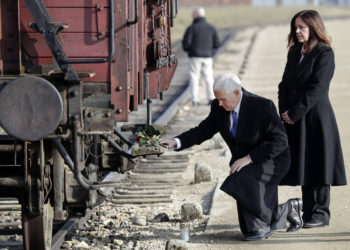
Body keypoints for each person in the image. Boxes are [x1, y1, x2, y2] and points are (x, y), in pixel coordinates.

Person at [161, 73, 302, 241]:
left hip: (272, 158)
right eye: (217, 99)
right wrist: (176, 141)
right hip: (243, 163)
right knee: (246, 225)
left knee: (239, 181)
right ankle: (286, 211)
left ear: (237, 92)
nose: (219, 103)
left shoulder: (262, 106)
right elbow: (202, 131)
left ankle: (261, 227)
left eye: (222, 99)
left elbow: (280, 141)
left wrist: (249, 158)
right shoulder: (218, 108)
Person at [278, 10, 347, 228]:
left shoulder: (324, 53)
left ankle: (321, 214)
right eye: (295, 27)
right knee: (303, 164)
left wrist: (295, 112)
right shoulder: (294, 52)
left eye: (302, 27)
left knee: (320, 163)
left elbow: (318, 88)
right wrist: (284, 111)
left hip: (317, 117)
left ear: (313, 28)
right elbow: (284, 85)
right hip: (295, 119)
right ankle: (308, 212)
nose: (297, 31)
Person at [182, 7, 220, 106]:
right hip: (208, 57)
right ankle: (211, 98)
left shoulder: (191, 28)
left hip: (195, 57)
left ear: (195, 15)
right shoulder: (211, 27)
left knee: (194, 78)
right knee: (209, 78)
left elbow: (186, 44)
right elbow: (217, 43)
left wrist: (190, 51)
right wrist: (210, 51)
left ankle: (195, 99)